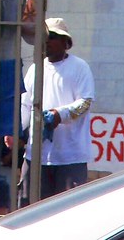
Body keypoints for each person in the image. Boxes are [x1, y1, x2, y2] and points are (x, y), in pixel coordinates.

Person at [19, 17, 95, 202]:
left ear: (65, 42)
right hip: (36, 155)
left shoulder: (80, 67)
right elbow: (25, 104)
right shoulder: (35, 68)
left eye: (51, 37)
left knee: (69, 208)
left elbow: (85, 102)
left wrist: (59, 115)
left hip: (70, 156)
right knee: (29, 206)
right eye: (43, 37)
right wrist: (15, 130)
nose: (46, 41)